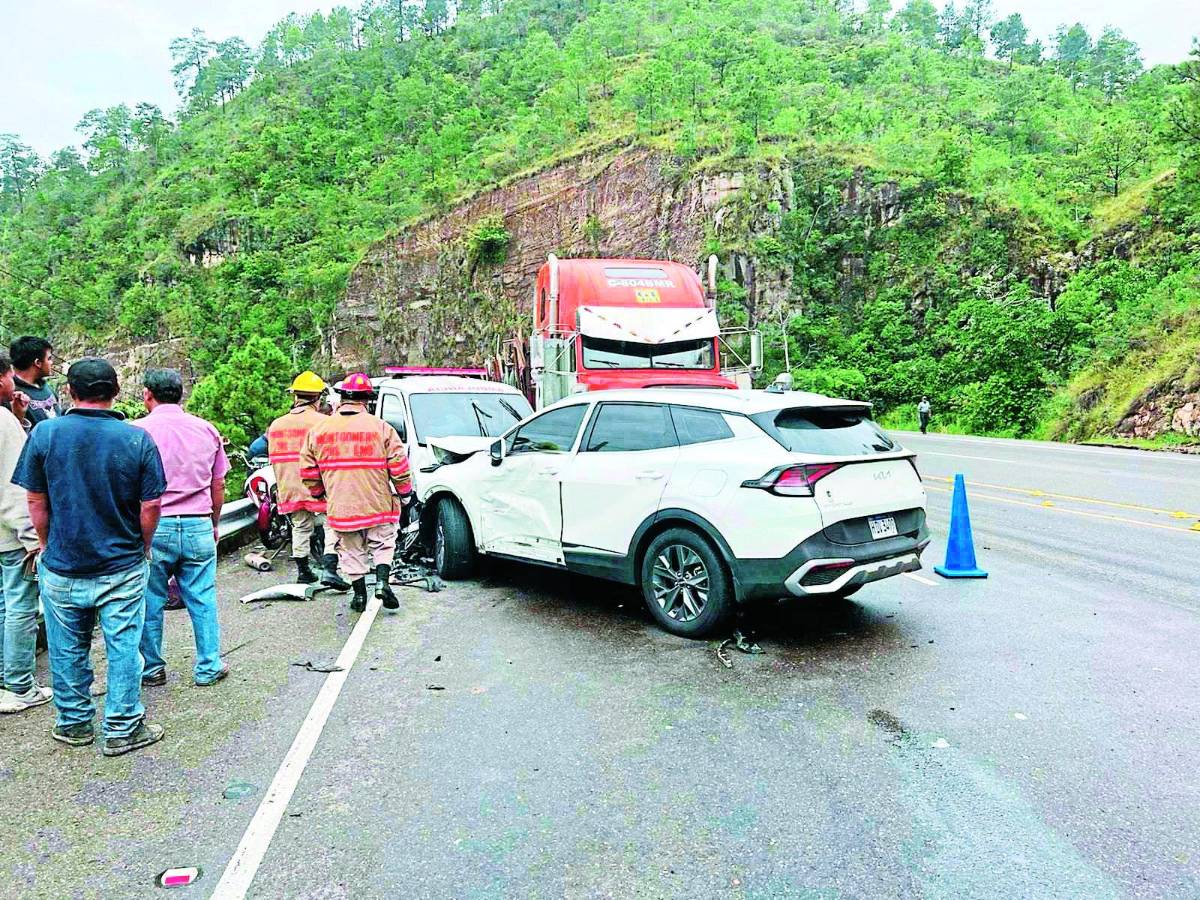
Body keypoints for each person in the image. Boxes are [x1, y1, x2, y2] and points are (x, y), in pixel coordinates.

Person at [12, 358, 167, 756]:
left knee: (67, 649)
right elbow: (150, 505)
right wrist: (143, 545)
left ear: (70, 392)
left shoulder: (46, 434)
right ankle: (122, 728)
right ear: (116, 392)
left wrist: (47, 545)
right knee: (123, 646)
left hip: (63, 565)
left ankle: (74, 723)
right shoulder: (136, 439)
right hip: (122, 565)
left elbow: (34, 498)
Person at [132, 369, 230, 688]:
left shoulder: (135, 432)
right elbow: (218, 485)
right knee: (202, 597)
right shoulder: (206, 430)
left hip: (152, 527)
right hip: (198, 523)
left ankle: (151, 668)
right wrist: (213, 523)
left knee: (150, 600)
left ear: (148, 394)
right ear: (181, 394)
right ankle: (208, 666)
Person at [299, 372, 411, 613]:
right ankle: (382, 582)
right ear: (367, 400)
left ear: (342, 398)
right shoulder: (382, 428)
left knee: (350, 549)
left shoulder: (319, 430)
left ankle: (359, 596)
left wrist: (319, 494)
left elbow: (307, 471)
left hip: (341, 506)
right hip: (378, 503)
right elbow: (399, 466)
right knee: (382, 544)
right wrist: (405, 493)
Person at [0, 353, 51, 714]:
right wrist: (34, 539)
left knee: (4, 605)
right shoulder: (2, 421)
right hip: (10, 535)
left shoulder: (8, 419)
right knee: (21, 605)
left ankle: (6, 677)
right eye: (7, 378)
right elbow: (15, 488)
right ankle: (19, 685)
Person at [267, 371, 347, 588]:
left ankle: (304, 572)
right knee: (332, 525)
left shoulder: (276, 425)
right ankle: (330, 569)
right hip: (317, 483)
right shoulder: (324, 423)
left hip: (288, 485)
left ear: (295, 397)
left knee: (301, 525)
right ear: (317, 398)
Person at [10, 336, 61, 432]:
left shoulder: (44, 386)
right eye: (49, 358)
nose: (51, 362)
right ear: (38, 363)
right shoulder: (14, 395)